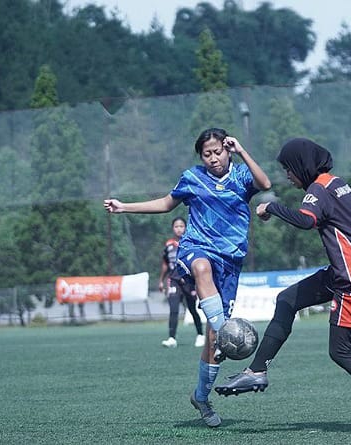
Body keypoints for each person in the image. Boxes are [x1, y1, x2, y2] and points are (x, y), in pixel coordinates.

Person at [214, 138, 351, 434]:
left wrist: (272, 207)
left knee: (342, 351)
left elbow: (307, 220)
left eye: (288, 169)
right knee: (287, 299)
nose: (287, 175)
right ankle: (256, 371)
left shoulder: (319, 188)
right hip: (344, 270)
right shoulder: (334, 183)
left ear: (301, 165)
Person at [103, 128, 271, 428]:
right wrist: (124, 206)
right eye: (207, 154)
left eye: (218, 151)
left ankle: (201, 397)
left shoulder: (242, 176)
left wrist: (243, 150)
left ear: (227, 150)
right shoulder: (192, 178)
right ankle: (223, 331)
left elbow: (265, 182)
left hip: (231, 261)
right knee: (202, 270)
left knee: (212, 345)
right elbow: (167, 203)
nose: (213, 158)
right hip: (197, 248)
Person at [159, 216, 205, 348]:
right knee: (173, 309)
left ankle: (200, 335)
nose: (179, 229)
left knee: (192, 308)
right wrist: (161, 280)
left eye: (181, 226)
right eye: (176, 226)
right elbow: (165, 264)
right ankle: (172, 338)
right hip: (173, 280)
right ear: (173, 229)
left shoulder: (191, 242)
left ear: (186, 228)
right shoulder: (169, 245)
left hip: (188, 281)